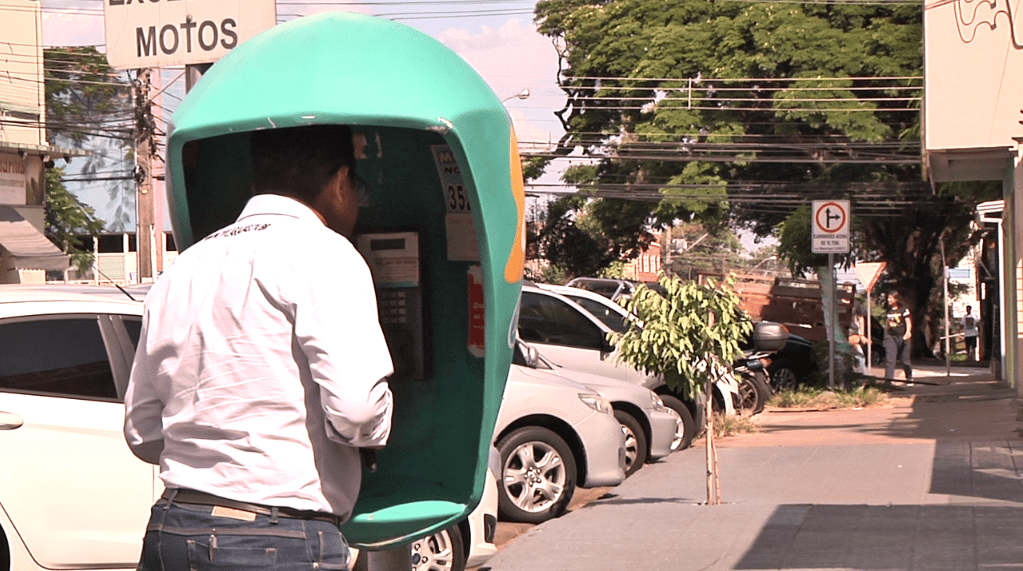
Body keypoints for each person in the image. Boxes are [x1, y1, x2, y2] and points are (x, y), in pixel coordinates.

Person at [123, 124, 394, 571]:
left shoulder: (183, 267)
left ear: (255, 183)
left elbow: (143, 430)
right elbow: (357, 410)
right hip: (276, 536)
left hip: (172, 528)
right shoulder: (326, 252)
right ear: (342, 181)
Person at [883, 291, 913, 385]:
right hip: (891, 336)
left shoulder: (903, 309)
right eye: (888, 298)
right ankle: (888, 381)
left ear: (896, 299)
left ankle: (909, 377)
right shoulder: (888, 309)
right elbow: (887, 322)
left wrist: (908, 332)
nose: (889, 300)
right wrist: (886, 334)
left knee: (905, 360)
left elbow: (908, 322)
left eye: (891, 298)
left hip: (903, 336)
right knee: (890, 359)